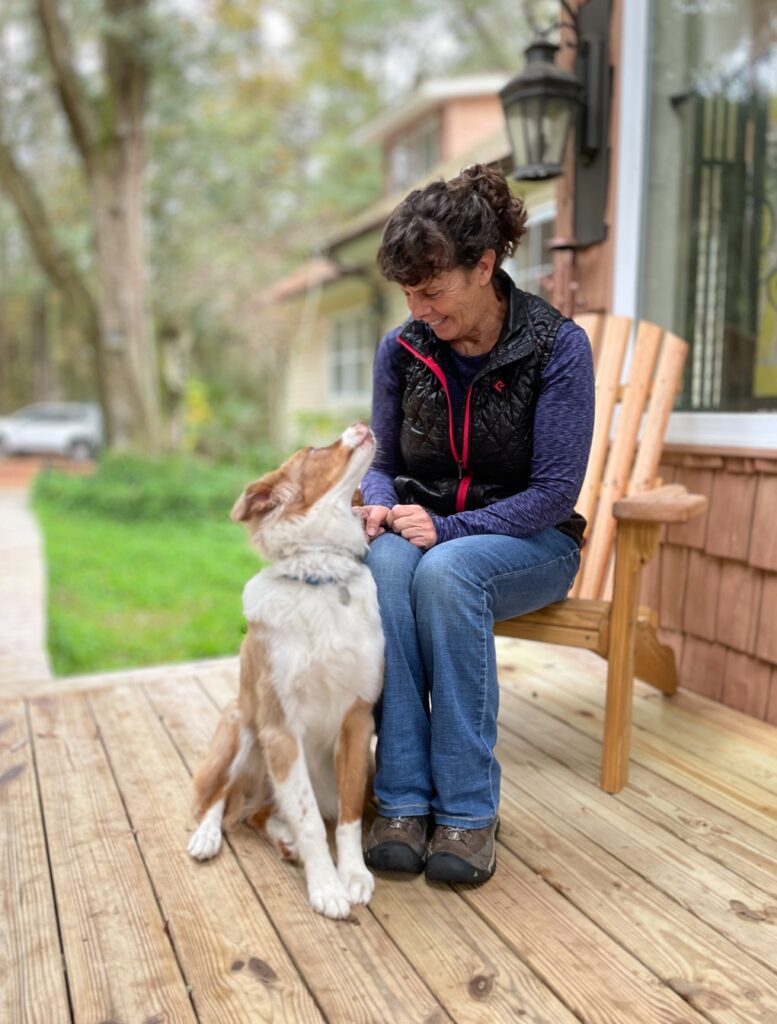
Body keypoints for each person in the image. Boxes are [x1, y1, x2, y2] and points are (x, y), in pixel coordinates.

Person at [359, 163, 594, 884]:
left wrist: (451, 531)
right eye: (407, 294)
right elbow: (382, 458)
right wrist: (373, 499)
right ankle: (399, 800)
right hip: (421, 530)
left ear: (484, 264)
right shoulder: (403, 350)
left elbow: (555, 491)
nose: (418, 308)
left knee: (445, 571)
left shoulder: (557, 347)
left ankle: (465, 812)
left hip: (530, 540)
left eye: (431, 291)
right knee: (390, 565)